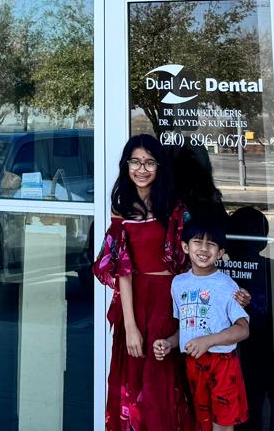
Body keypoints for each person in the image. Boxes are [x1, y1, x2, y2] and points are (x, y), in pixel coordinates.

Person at [94, 135, 190, 431]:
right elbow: (122, 269)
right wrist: (131, 327)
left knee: (162, 382)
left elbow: (192, 258)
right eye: (135, 162)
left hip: (167, 300)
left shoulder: (174, 208)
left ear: (159, 167)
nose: (142, 169)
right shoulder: (121, 209)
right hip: (133, 301)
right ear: (126, 165)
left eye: (149, 162)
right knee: (132, 381)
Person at [155, 218, 250, 431]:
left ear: (220, 252)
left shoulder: (226, 285)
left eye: (212, 244)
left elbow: (243, 328)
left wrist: (208, 341)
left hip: (223, 364)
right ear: (185, 247)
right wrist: (168, 344)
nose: (204, 249)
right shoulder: (178, 284)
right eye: (198, 242)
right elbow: (186, 328)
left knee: (222, 424)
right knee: (202, 422)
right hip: (194, 363)